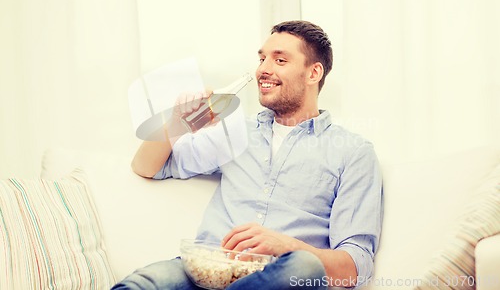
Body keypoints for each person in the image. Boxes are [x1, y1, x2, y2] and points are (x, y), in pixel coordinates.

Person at [113, 20, 383, 290]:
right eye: (262, 58)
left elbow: (354, 268)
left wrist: (285, 245)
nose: (263, 69)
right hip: (206, 269)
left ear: (313, 73)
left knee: (305, 267)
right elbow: (145, 166)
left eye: (280, 60)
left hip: (277, 278)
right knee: (145, 283)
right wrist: (175, 123)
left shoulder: (353, 152)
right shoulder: (235, 131)